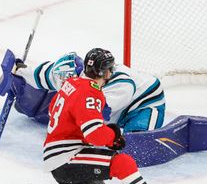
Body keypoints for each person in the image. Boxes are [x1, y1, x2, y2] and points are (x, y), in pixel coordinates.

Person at [41, 48, 187, 184]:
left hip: (58, 156)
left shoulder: (71, 83)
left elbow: (53, 110)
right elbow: (94, 134)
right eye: (109, 69)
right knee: (122, 163)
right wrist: (113, 137)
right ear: (104, 72)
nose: (111, 73)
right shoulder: (90, 91)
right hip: (66, 158)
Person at [15, 48, 165, 132]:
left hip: (144, 102)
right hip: (105, 101)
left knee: (134, 146)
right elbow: (45, 74)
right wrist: (19, 70)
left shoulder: (122, 85)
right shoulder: (72, 72)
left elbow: (100, 112)